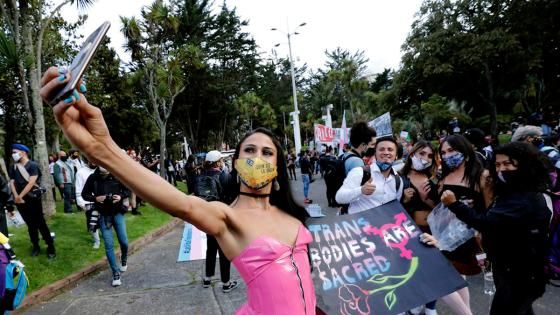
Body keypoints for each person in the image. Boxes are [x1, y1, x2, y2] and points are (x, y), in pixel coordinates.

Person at [41, 66, 316, 314]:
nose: (258, 157)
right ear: (235, 162)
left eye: (267, 152)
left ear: (278, 164)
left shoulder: (289, 212)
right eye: (250, 151)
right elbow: (181, 203)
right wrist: (101, 150)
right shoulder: (226, 218)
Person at [439, 142, 551, 315]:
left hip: (520, 275)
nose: (501, 170)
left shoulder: (523, 197)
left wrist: (454, 205)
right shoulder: (512, 192)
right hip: (510, 270)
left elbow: (487, 223)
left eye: (507, 164)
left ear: (524, 164)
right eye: (497, 165)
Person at [434, 135, 487, 315]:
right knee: (454, 278)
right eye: (443, 152)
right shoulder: (444, 177)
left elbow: (490, 211)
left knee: (442, 280)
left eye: (451, 150)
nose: (447, 155)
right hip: (445, 236)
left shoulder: (482, 176)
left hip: (469, 238)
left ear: (464, 150)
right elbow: (439, 208)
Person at [399, 140, 439, 315]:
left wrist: (427, 199)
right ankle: (413, 301)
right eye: (422, 154)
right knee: (409, 271)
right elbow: (390, 209)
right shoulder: (399, 177)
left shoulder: (435, 179)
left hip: (432, 232)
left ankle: (430, 307)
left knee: (431, 271)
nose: (426, 159)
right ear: (413, 153)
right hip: (408, 232)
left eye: (430, 155)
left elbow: (443, 207)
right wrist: (404, 200)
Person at [82, 166, 130, 286]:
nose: (105, 173)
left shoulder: (117, 174)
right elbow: (84, 194)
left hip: (118, 212)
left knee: (124, 242)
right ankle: (115, 273)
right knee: (109, 245)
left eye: (107, 171)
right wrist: (95, 198)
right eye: (103, 172)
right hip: (103, 215)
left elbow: (128, 190)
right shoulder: (93, 177)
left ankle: (123, 259)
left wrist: (120, 196)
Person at [198, 150, 238, 293]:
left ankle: (207, 278)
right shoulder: (223, 176)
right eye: (221, 159)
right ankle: (226, 283)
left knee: (211, 248)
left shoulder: (201, 176)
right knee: (224, 250)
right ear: (218, 162)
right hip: (221, 218)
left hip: (207, 218)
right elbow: (234, 194)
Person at [8, 144, 55, 258]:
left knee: (40, 223)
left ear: (23, 152)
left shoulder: (33, 165)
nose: (13, 154)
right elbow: (12, 182)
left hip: (32, 199)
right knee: (30, 225)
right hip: (20, 201)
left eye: (15, 152)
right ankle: (35, 246)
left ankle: (50, 246)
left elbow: (31, 182)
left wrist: (21, 196)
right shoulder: (14, 167)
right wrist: (16, 196)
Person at [336, 136, 403, 214]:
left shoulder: (398, 180)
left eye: (390, 150)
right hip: (359, 224)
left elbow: (395, 206)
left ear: (396, 155)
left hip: (382, 224)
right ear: (375, 154)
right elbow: (339, 197)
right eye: (381, 149)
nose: (386, 152)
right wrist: (361, 190)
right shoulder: (360, 172)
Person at [75, 156, 100, 249]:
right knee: (92, 221)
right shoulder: (80, 172)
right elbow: (78, 188)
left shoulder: (101, 170)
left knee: (103, 220)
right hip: (88, 201)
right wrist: (81, 202)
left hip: (101, 200)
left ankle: (104, 237)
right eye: (91, 160)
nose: (94, 162)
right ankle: (97, 241)